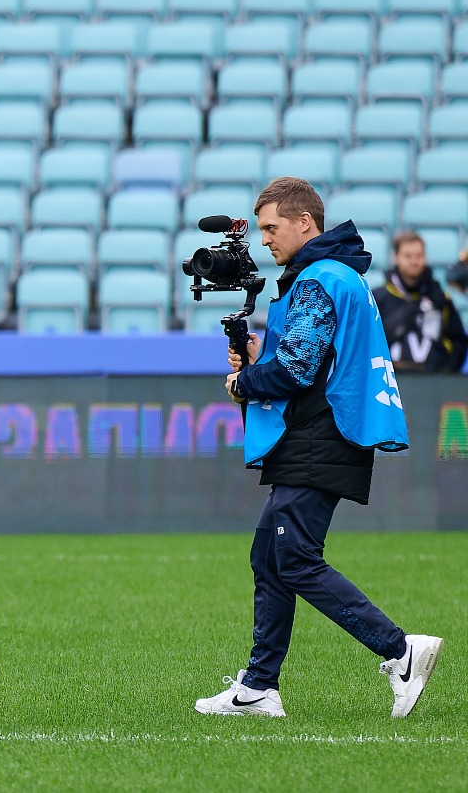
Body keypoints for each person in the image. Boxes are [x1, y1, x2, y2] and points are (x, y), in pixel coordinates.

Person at [197, 177, 442, 720]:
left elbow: (295, 370)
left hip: (321, 433)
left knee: (295, 557)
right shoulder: (337, 273)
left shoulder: (319, 277)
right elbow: (312, 356)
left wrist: (245, 381)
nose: (264, 240)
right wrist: (260, 356)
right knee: (270, 553)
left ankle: (400, 650)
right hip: (325, 429)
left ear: (304, 222)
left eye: (271, 228)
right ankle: (259, 687)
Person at [373, 232, 468, 373]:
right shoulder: (377, 298)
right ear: (395, 257)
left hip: (434, 382)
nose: (414, 261)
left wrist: (445, 373)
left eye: (419, 256)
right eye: (408, 256)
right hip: (388, 381)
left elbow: (458, 342)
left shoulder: (441, 299)